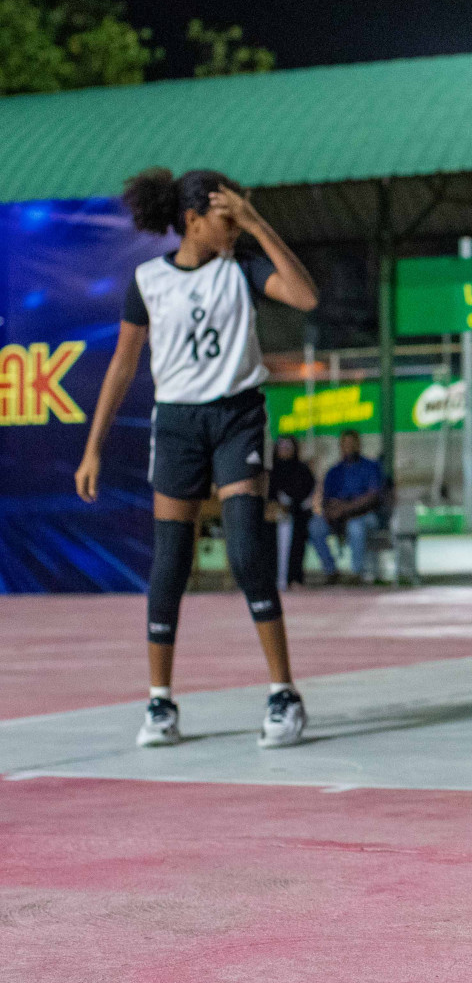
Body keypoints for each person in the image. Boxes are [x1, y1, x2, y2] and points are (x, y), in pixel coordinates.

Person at [74, 167, 316, 749]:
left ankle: (284, 694)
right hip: (178, 421)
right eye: (224, 215)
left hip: (236, 414)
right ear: (191, 220)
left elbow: (305, 297)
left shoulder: (244, 268)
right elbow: (124, 366)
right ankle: (160, 704)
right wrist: (93, 447)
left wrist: (255, 222)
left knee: (246, 549)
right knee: (171, 561)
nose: (232, 224)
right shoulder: (148, 280)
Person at [309, 429, 384, 583]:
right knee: (315, 526)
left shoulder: (370, 467)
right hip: (339, 516)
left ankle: (357, 573)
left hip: (365, 515)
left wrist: (347, 508)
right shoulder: (334, 471)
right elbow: (326, 500)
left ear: (358, 445)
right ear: (340, 446)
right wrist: (332, 511)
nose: (349, 447)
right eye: (345, 444)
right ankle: (331, 571)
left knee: (355, 526)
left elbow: (372, 496)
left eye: (352, 443)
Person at [268, 436, 315, 588]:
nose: (285, 450)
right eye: (281, 447)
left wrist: (290, 506)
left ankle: (293, 577)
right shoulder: (271, 473)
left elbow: (306, 497)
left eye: (288, 447)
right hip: (274, 519)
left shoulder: (302, 470)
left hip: (298, 516)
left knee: (296, 534)